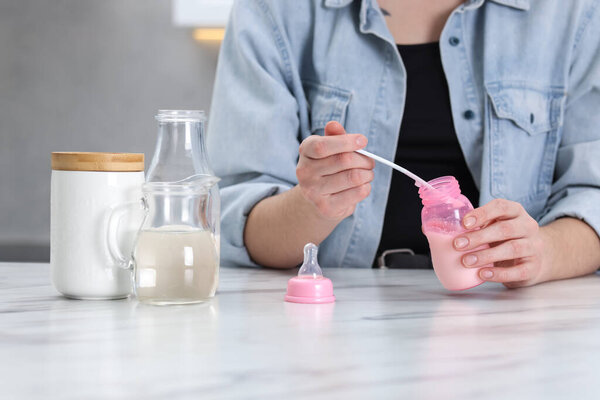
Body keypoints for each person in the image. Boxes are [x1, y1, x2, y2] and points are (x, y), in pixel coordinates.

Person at [207, 0, 600, 288]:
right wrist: (312, 206)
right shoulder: (275, 11)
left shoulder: (572, 12)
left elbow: (592, 195)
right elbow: (232, 224)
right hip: (333, 326)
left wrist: (544, 251)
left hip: (518, 327)